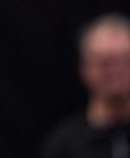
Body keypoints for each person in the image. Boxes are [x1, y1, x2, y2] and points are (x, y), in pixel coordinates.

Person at [41, 13, 130, 158]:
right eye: (105, 63)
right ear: (85, 68)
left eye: (125, 60)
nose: (116, 72)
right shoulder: (64, 144)